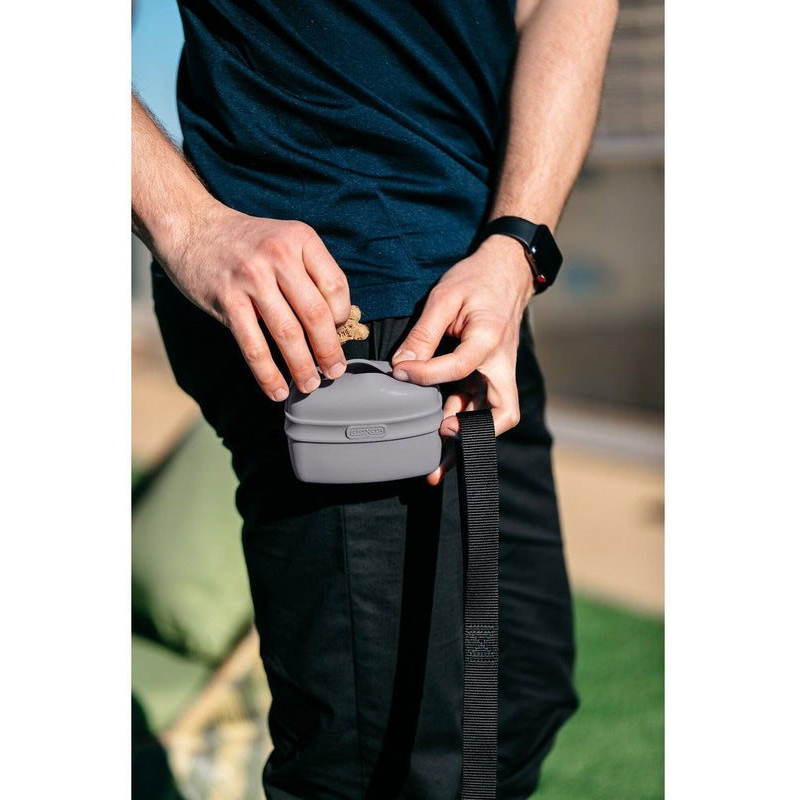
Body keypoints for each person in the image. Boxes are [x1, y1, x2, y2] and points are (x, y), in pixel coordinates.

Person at [132, 1, 618, 797]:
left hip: (482, 283)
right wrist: (188, 227)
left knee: (517, 699)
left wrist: (519, 242)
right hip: (330, 307)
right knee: (385, 767)